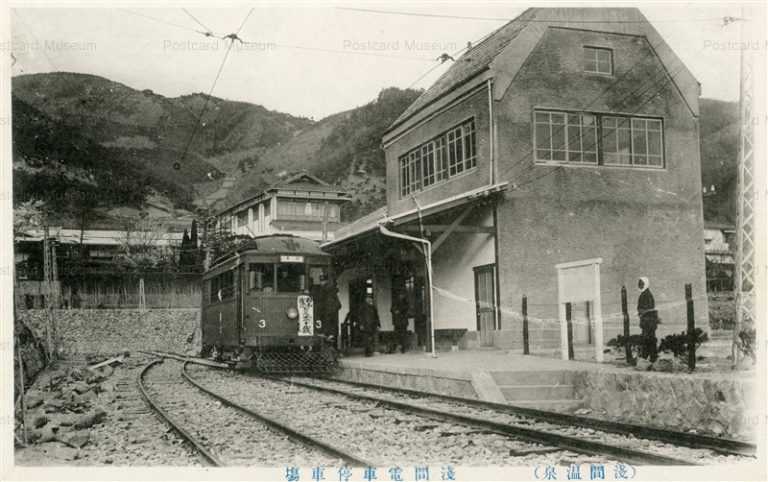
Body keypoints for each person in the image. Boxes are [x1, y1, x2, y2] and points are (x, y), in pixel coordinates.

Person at [637, 276, 659, 363]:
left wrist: (641, 312)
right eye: (639, 284)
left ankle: (648, 357)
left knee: (648, 339)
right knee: (649, 339)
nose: (639, 285)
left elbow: (648, 309)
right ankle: (651, 357)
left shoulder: (646, 295)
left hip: (648, 322)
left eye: (641, 284)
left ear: (646, 284)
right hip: (648, 322)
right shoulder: (645, 294)